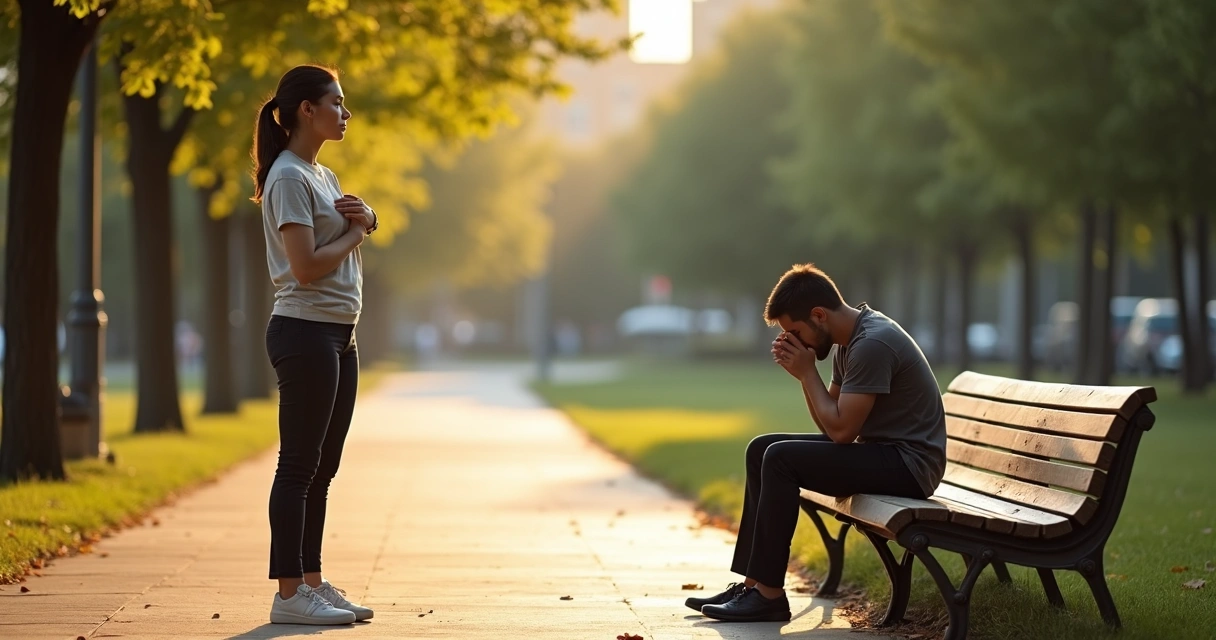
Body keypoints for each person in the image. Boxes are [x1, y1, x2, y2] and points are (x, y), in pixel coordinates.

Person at [687, 263, 946, 622]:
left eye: (795, 331)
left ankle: (769, 596)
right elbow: (832, 427)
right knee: (762, 448)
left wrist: (808, 373)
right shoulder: (848, 341)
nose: (794, 340)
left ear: (819, 315)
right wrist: (804, 375)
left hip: (910, 465)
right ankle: (753, 586)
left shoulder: (871, 344)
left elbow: (841, 433)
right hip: (885, 454)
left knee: (779, 458)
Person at [251, 64, 378, 626]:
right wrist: (358, 232)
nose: (345, 114)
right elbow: (304, 268)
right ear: (308, 109)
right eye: (337, 103)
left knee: (323, 467)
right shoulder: (288, 178)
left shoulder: (319, 176)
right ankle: (287, 595)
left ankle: (312, 582)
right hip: (304, 331)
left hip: (337, 333)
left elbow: (344, 236)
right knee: (299, 465)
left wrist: (366, 215)